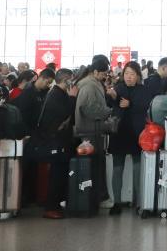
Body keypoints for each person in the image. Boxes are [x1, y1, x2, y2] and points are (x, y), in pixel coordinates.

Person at [108, 61, 149, 215]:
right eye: (126, 73)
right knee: (117, 168)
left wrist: (130, 104)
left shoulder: (143, 90)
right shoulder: (118, 88)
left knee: (138, 169)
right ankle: (116, 203)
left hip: (137, 133)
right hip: (119, 132)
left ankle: (138, 203)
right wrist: (111, 97)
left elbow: (145, 106)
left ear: (138, 76)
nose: (129, 77)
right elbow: (112, 104)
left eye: (132, 74)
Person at [37, 68, 77, 220]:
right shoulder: (55, 95)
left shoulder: (59, 93)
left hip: (61, 140)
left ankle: (55, 204)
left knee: (60, 174)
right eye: (71, 79)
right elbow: (64, 113)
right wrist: (72, 98)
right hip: (56, 141)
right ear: (66, 80)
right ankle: (51, 207)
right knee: (57, 175)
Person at [74, 56, 114, 208]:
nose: (105, 77)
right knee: (95, 166)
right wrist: (108, 111)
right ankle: (98, 198)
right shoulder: (89, 86)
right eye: (103, 74)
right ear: (95, 72)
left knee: (95, 165)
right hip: (90, 130)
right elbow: (89, 109)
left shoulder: (91, 83)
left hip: (92, 130)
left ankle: (95, 198)